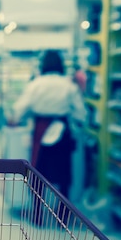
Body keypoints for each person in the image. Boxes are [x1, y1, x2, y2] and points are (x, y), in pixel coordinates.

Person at [11, 50, 86, 225]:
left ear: (43, 64)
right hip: (62, 131)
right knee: (64, 175)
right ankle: (63, 216)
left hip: (41, 129)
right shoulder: (69, 85)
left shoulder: (36, 84)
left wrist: (15, 120)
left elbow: (21, 107)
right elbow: (80, 112)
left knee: (37, 172)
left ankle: (37, 215)